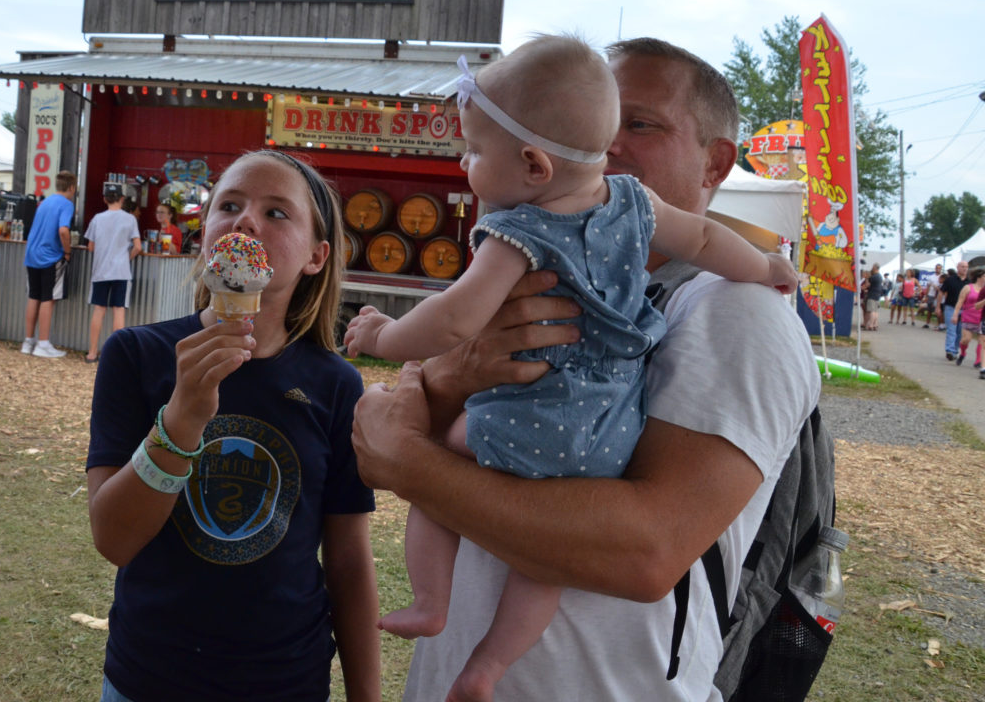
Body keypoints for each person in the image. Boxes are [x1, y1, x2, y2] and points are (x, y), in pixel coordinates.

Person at [351, 37, 821, 701]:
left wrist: (407, 460)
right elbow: (444, 378)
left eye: (641, 123)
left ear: (715, 163)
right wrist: (449, 377)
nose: (608, 143)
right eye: (602, 117)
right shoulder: (547, 264)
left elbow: (644, 550)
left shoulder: (736, 313)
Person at [86, 150, 379, 702]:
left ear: (317, 257)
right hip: (151, 676)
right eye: (230, 204)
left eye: (276, 213)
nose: (246, 220)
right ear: (206, 234)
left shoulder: (336, 385)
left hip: (286, 680)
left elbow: (348, 559)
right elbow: (114, 539)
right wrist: (183, 417)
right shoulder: (137, 355)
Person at [84, 185, 143, 363]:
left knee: (99, 310)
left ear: (104, 199)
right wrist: (127, 258)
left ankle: (92, 353)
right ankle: (115, 357)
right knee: (118, 311)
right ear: (122, 199)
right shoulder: (130, 219)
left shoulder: (97, 218)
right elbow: (138, 246)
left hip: (100, 271)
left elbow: (90, 247)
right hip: (121, 271)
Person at [22, 172, 77, 359]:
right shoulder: (67, 205)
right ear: (71, 187)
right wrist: (67, 251)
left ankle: (28, 341)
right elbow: (63, 230)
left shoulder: (44, 202)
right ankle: (43, 343)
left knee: (34, 296)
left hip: (31, 254)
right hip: (49, 256)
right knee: (48, 299)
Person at [951, 268, 985, 368]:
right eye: (984, 276)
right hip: (969, 317)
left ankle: (978, 361)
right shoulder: (968, 287)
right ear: (979, 277)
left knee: (982, 341)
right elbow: (960, 301)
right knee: (966, 339)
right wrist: (955, 314)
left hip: (981, 318)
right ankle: (963, 353)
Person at [941, 262, 969, 359]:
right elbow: (941, 292)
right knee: (951, 329)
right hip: (951, 307)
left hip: (964, 309)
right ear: (958, 268)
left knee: (959, 331)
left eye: (966, 267)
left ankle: (955, 350)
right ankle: (949, 350)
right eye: (962, 267)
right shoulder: (950, 280)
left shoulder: (969, 282)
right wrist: (937, 306)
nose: (964, 269)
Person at [864, 263, 884, 330]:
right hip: (877, 295)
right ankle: (875, 324)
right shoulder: (880, 276)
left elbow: (867, 285)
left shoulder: (874, 277)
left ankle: (871, 324)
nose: (872, 268)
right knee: (875, 311)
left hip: (872, 294)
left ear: (875, 267)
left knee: (871, 310)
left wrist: (866, 279)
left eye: (873, 266)